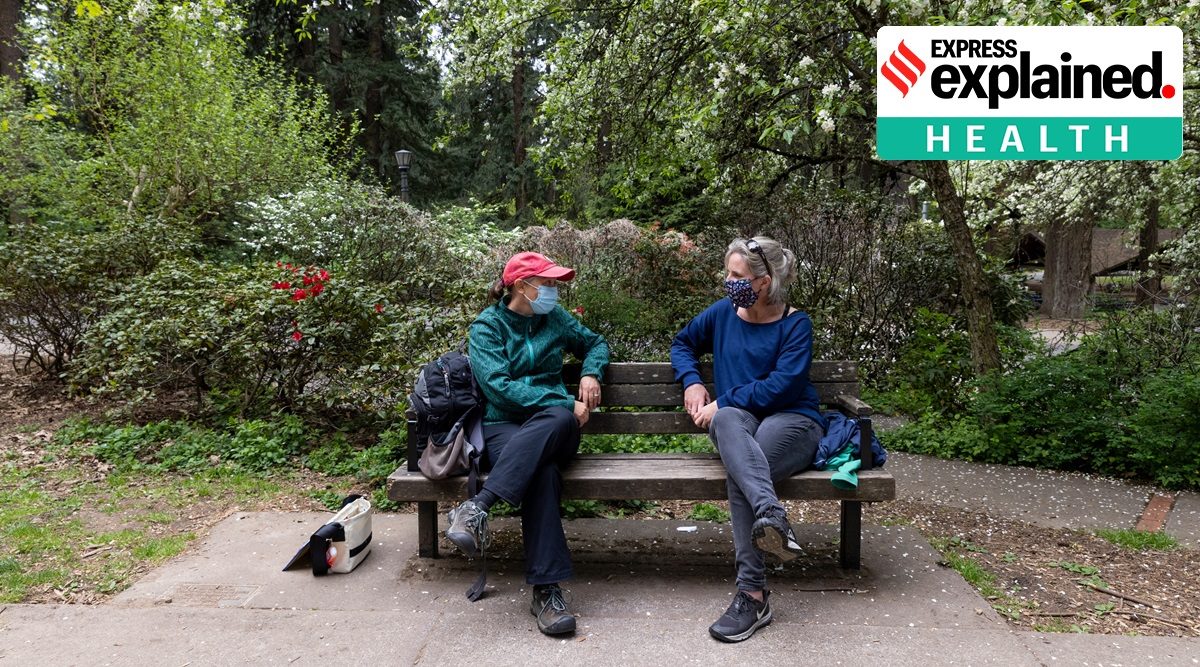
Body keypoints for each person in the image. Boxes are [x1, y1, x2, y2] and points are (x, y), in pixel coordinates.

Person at [670, 236, 825, 643]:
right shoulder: (723, 314)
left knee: (741, 470)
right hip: (738, 424)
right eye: (728, 272)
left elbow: (781, 386)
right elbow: (682, 342)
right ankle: (771, 517)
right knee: (729, 429)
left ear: (765, 280)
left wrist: (723, 399)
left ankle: (752, 595)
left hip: (792, 421)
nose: (728, 281)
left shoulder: (796, 324)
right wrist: (691, 383)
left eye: (737, 275)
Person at [446, 251, 610, 636]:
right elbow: (498, 388)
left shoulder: (555, 319)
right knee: (542, 472)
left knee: (558, 415)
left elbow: (596, 343)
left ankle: (477, 507)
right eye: (549, 284)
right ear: (523, 286)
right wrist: (561, 400)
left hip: (558, 426)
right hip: (505, 426)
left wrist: (590, 372)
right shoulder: (487, 327)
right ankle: (546, 592)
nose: (555, 291)